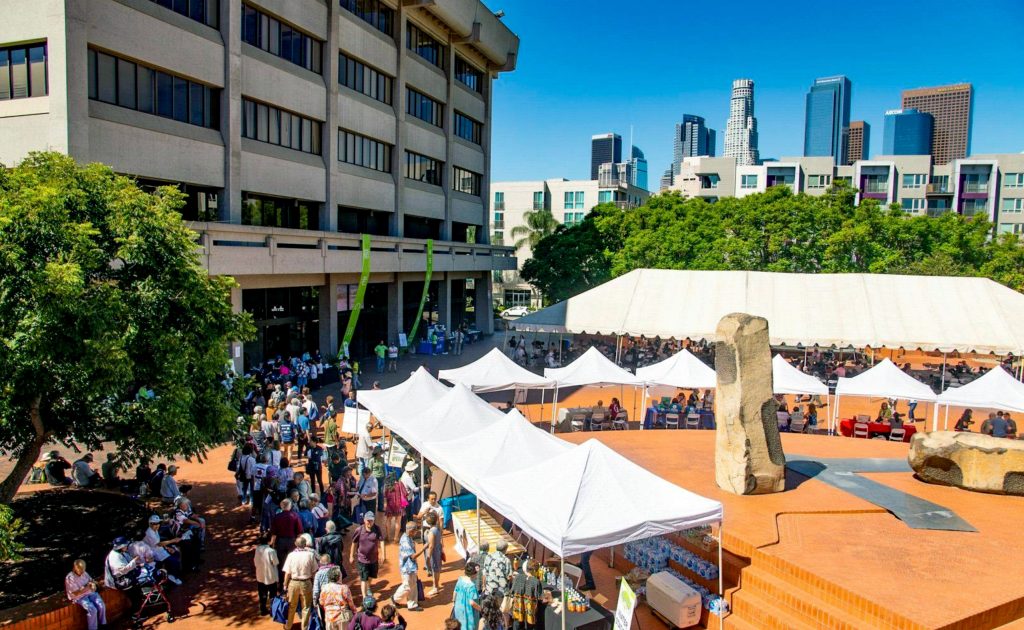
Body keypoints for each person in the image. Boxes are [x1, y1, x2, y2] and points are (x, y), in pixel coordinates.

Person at [282, 534, 319, 630]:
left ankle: (288, 626)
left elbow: (287, 573)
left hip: (293, 583)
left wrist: (285, 585)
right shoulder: (310, 555)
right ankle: (304, 627)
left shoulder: (291, 555)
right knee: (306, 607)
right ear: (305, 544)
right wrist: (315, 584)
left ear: (295, 544)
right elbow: (314, 571)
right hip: (306, 583)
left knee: (291, 606)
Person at [349, 511, 384, 598]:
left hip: (374, 559)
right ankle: (365, 597)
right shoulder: (359, 530)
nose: (369, 522)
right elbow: (353, 543)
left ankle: (368, 588)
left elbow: (381, 541)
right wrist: (351, 556)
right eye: (368, 520)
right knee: (363, 579)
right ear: (364, 520)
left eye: (371, 520)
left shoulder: (377, 529)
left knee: (371, 576)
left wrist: (383, 554)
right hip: (362, 559)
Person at [66, 559, 107, 630]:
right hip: (80, 597)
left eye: (83, 570)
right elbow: (76, 593)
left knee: (101, 605)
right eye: (80, 570)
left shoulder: (84, 572)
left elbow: (90, 580)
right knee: (92, 609)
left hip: (89, 592)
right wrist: (87, 587)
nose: (82, 572)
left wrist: (93, 584)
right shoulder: (70, 578)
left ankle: (103, 624)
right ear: (75, 568)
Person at [104, 536, 143, 612]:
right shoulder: (114, 557)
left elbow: (130, 562)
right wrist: (134, 561)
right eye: (125, 545)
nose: (127, 546)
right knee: (135, 596)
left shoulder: (122, 552)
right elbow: (123, 570)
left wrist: (136, 563)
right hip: (120, 581)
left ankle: (140, 609)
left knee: (138, 592)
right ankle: (136, 615)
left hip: (126, 576)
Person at [392, 521, 424, 611]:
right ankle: (395, 599)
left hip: (411, 566)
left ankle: (412, 604)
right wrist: (424, 548)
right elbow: (413, 556)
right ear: (411, 531)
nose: (416, 533)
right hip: (406, 567)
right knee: (407, 586)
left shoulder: (409, 537)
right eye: (415, 531)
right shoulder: (405, 540)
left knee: (413, 585)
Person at [143, 514, 183, 584]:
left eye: (158, 523)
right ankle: (172, 576)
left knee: (176, 553)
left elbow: (159, 543)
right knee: (173, 561)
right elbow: (159, 544)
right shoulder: (149, 533)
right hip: (153, 553)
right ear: (150, 524)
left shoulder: (155, 530)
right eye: (154, 523)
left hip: (159, 550)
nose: (157, 525)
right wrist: (173, 540)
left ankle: (172, 573)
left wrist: (167, 547)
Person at [270, 498, 304, 570]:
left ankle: (281, 578)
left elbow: (274, 533)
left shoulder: (277, 517)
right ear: (290, 506)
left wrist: (272, 544)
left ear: (281, 506)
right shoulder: (295, 516)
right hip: (292, 541)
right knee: (292, 560)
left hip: (280, 542)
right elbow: (299, 532)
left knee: (281, 561)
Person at [254, 532, 280, 616]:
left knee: (262, 593)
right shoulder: (271, 551)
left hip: (260, 575)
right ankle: (273, 611)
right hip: (270, 576)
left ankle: (263, 609)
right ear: (269, 540)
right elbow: (275, 562)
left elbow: (255, 561)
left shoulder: (257, 549)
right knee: (273, 594)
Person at [452, 562, 482, 630]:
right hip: (468, 611)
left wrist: (453, 603)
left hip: (458, 607)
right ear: (473, 574)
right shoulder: (472, 586)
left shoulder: (460, 579)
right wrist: (480, 609)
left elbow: (455, 591)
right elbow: (472, 602)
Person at [370, 447, 387, 514]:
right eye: (380, 452)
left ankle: (380, 507)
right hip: (374, 478)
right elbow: (370, 470)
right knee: (374, 493)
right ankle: (372, 507)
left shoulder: (382, 459)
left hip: (381, 478)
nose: (381, 454)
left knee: (381, 493)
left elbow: (383, 468)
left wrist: (385, 476)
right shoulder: (372, 460)